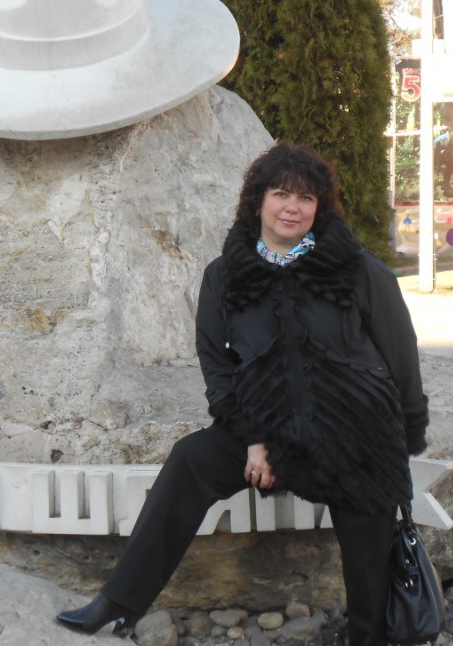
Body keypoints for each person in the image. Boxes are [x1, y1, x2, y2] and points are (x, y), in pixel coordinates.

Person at [57, 142, 429, 646]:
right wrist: (255, 439)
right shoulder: (224, 275)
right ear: (258, 201)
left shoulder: (356, 268)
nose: (292, 207)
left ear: (320, 207)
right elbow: (218, 367)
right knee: (191, 459)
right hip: (269, 428)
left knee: (369, 538)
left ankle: (367, 636)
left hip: (353, 431)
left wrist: (401, 440)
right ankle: (117, 602)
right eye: (281, 194)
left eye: (306, 198)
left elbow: (400, 353)